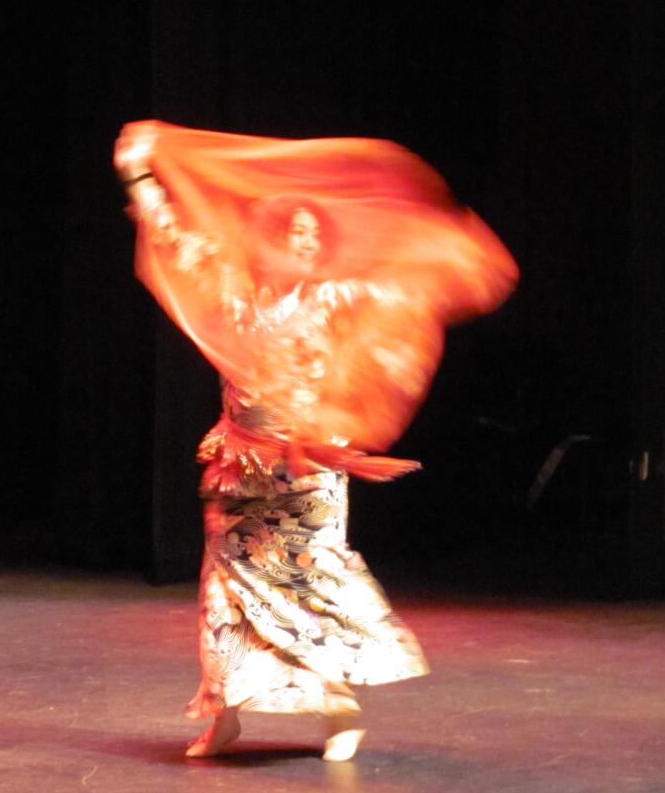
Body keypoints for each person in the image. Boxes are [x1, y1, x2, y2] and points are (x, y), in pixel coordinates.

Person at [115, 121, 517, 760]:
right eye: (292, 232)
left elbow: (405, 293)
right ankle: (225, 713)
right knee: (224, 592)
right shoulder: (234, 295)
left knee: (310, 585)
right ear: (267, 242)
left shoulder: (336, 299)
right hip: (239, 465)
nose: (305, 242)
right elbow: (171, 237)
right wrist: (139, 172)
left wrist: (448, 255)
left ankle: (339, 709)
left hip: (307, 472)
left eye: (312, 234)